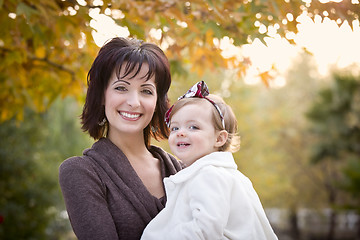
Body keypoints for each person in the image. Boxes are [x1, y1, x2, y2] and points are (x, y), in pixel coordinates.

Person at [58, 37, 183, 240]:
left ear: (157, 102)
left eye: (146, 91)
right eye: (121, 88)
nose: (134, 102)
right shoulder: (81, 172)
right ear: (101, 95)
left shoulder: (184, 171)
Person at [141, 81, 278, 240]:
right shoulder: (224, 174)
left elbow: (205, 230)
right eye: (175, 128)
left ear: (219, 138)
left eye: (193, 127)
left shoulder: (209, 175)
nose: (180, 133)